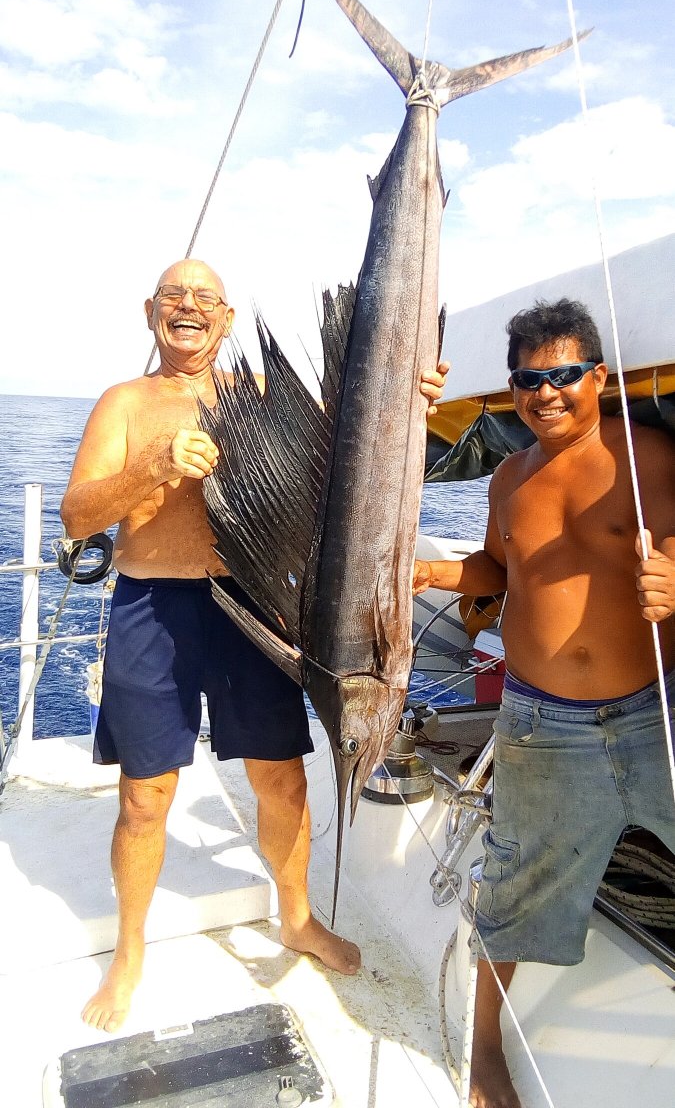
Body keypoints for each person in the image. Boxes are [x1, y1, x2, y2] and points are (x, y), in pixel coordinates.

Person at [61, 257, 448, 1033]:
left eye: (205, 298)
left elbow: (364, 440)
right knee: (145, 798)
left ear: (227, 319)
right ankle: (130, 952)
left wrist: (418, 400)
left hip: (255, 607)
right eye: (174, 296)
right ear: (150, 313)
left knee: (284, 783)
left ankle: (296, 917)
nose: (189, 307)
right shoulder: (125, 402)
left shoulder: (266, 400)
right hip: (154, 610)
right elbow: (77, 517)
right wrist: (151, 466)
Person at [413, 298, 675, 1108]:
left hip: (651, 715)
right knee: (514, 889)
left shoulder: (649, 455)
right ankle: (485, 1043)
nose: (545, 393)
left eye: (563, 374)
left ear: (597, 375)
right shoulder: (509, 476)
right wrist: (428, 573)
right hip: (539, 723)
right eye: (528, 379)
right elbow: (497, 570)